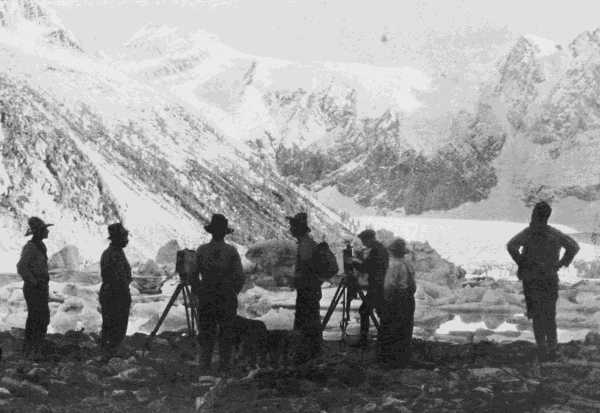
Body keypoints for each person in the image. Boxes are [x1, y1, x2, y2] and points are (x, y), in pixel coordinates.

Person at [507, 201, 580, 361]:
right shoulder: (554, 233)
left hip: (532, 279)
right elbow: (574, 247)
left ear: (534, 214)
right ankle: (552, 347)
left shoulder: (528, 233)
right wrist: (560, 264)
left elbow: (511, 246)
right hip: (549, 278)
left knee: (536, 314)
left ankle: (541, 347)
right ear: (547, 216)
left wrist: (522, 263)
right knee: (549, 313)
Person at [194, 214, 244, 372]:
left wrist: (200, 292)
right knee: (226, 333)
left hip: (207, 296)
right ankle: (224, 366)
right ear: (224, 233)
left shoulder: (202, 250)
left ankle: (204, 365)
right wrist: (232, 292)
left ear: (212, 231)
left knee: (206, 333)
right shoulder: (231, 251)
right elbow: (239, 277)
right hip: (226, 296)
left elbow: (193, 276)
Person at [287, 212, 322, 363]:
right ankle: (312, 352)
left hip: (307, 289)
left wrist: (294, 279)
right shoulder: (306, 243)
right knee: (310, 319)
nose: (290, 229)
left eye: (292, 226)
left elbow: (306, 269)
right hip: (310, 288)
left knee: (305, 320)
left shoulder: (305, 245)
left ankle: (306, 354)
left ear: (298, 228)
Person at [17, 217, 53, 359]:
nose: (47, 231)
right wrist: (34, 282)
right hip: (34, 288)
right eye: (45, 229)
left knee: (40, 317)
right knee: (37, 317)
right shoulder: (31, 247)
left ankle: (34, 348)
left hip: (40, 287)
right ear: (39, 232)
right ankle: (32, 350)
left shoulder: (40, 246)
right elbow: (21, 267)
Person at [378, 238, 416, 367]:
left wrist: (386, 300)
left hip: (397, 298)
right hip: (408, 298)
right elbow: (413, 285)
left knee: (392, 327)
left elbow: (389, 286)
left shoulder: (394, 265)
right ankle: (403, 358)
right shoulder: (407, 264)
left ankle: (390, 360)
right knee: (405, 328)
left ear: (391, 251)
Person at [351, 229, 389, 347]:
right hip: (380, 285)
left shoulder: (376, 251)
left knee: (365, 311)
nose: (363, 243)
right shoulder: (380, 249)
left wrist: (353, 262)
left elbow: (366, 268)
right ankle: (384, 339)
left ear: (370, 238)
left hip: (377, 287)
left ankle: (364, 340)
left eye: (364, 240)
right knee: (381, 313)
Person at [99, 223, 132, 358]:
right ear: (118, 238)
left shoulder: (116, 253)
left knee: (115, 324)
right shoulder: (112, 254)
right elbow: (115, 278)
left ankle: (110, 351)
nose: (127, 240)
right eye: (124, 237)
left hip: (116, 293)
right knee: (114, 324)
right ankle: (110, 353)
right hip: (114, 294)